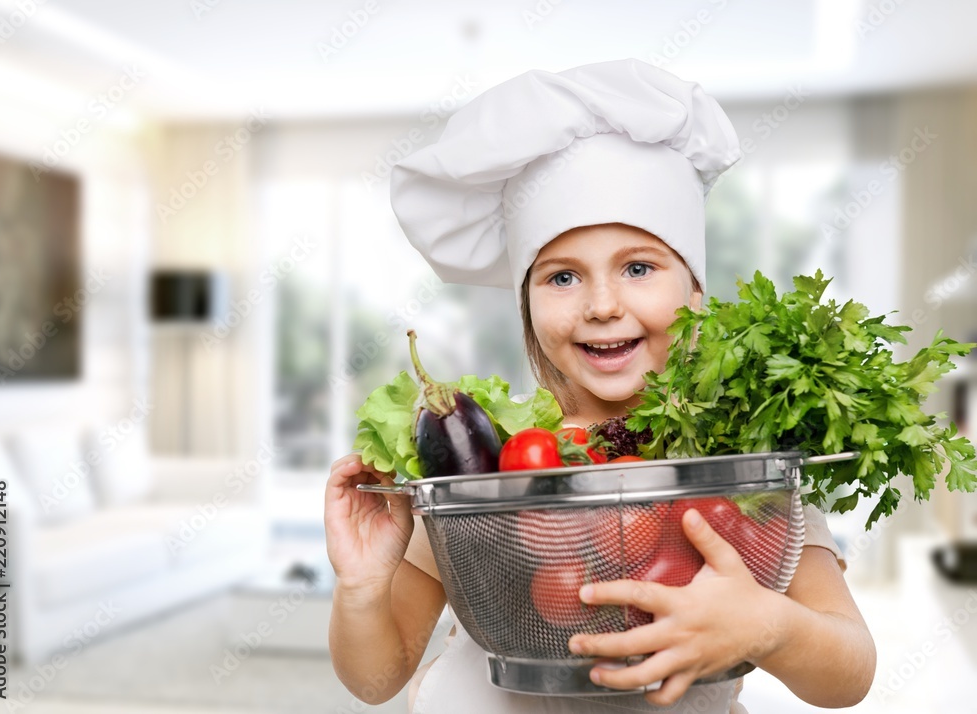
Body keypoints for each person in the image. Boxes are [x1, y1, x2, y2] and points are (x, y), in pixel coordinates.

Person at [326, 59, 876, 713]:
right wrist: (362, 586)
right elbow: (375, 680)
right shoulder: (494, 456)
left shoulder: (739, 456)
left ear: (695, 293)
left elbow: (849, 673)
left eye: (638, 268)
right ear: (527, 305)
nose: (602, 305)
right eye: (562, 277)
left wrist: (770, 627)